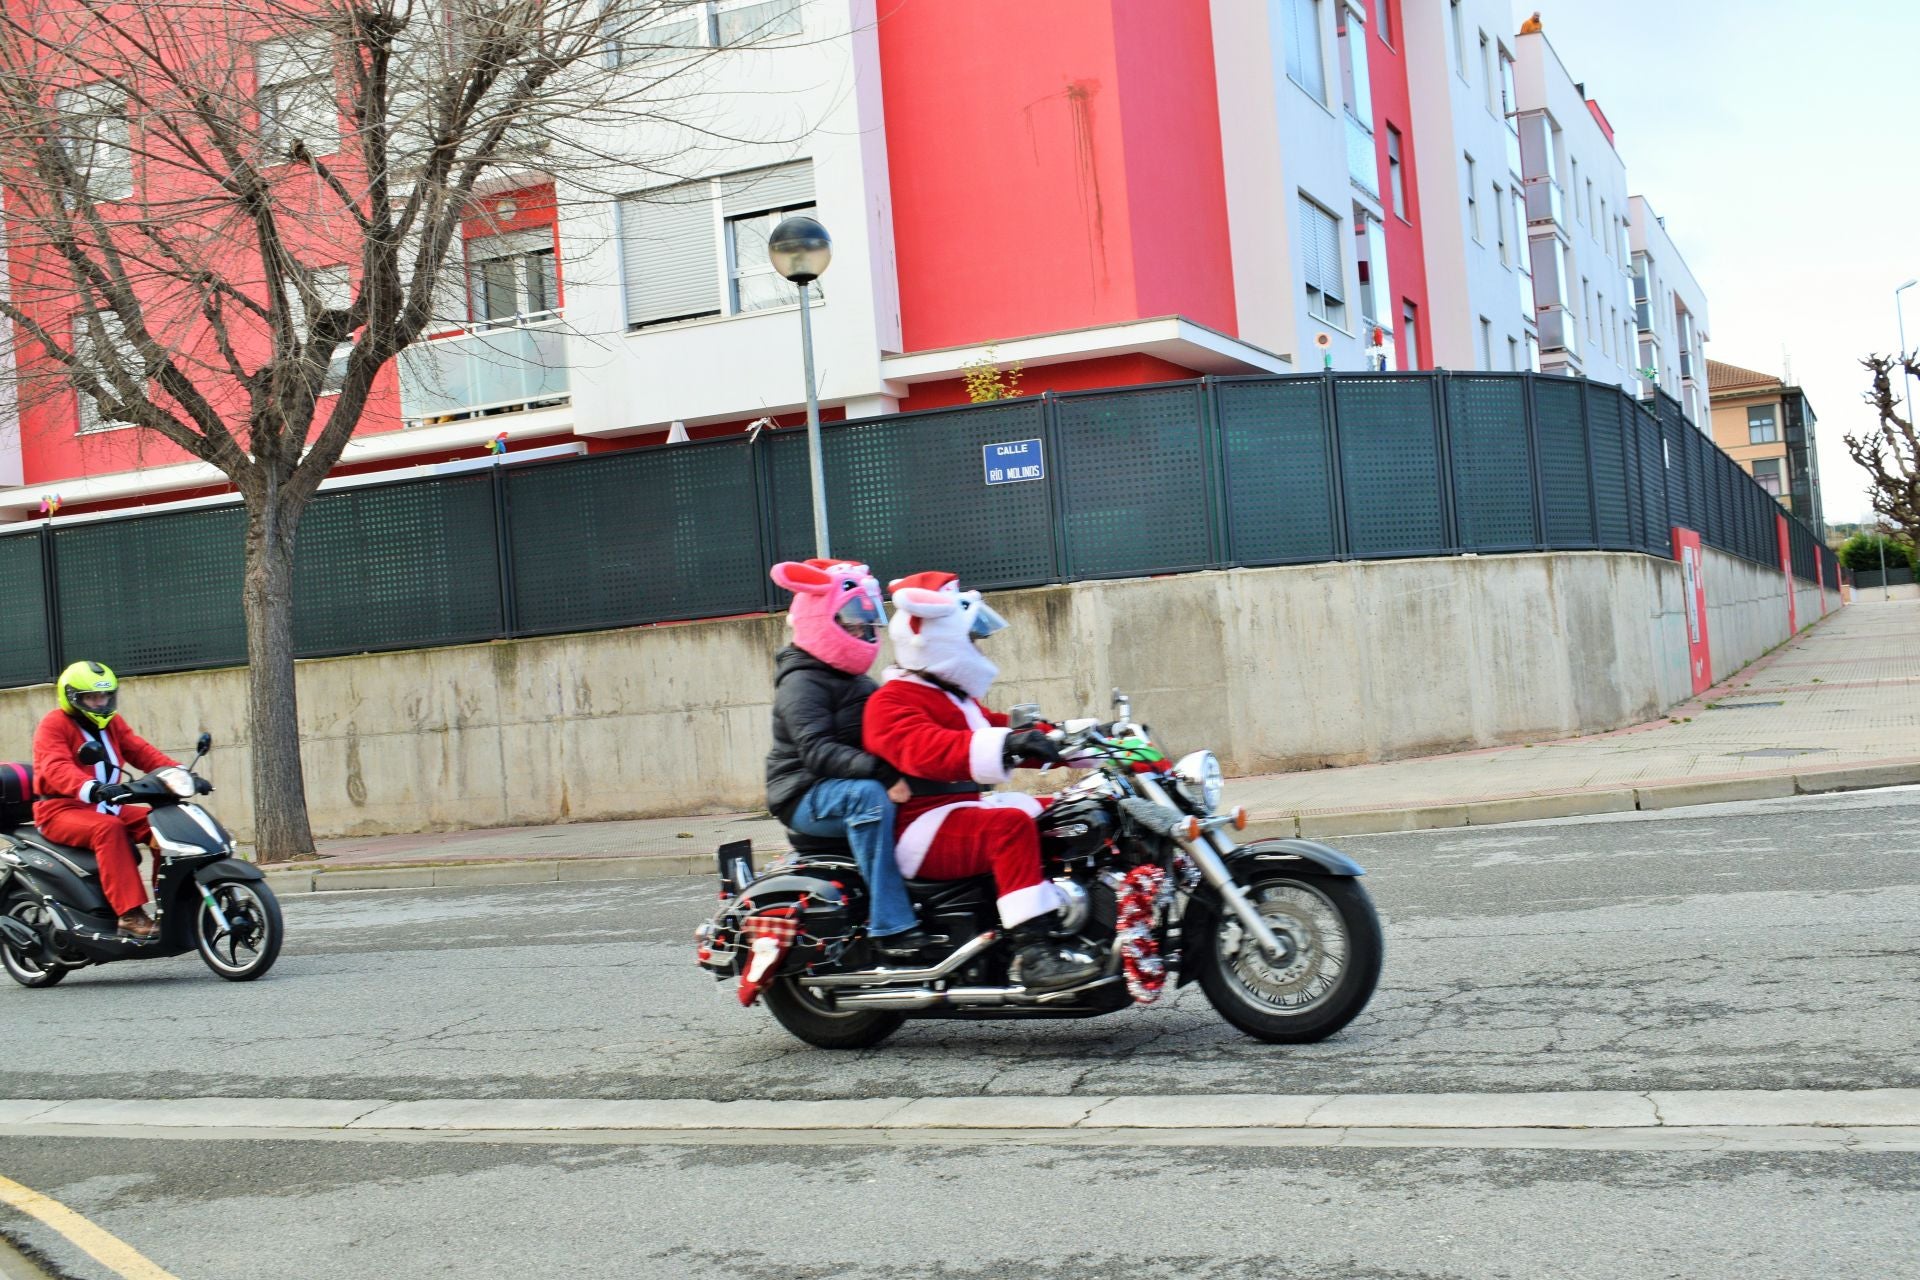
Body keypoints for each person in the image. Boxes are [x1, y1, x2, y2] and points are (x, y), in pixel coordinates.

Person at [862, 572, 1099, 991]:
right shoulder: (890, 700)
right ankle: (1034, 953)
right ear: (936, 638)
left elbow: (1005, 729)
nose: (975, 648)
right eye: (969, 639)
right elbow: (926, 747)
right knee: (1008, 828)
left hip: (960, 811)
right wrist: (1009, 742)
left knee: (1070, 813)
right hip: (920, 826)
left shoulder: (951, 696)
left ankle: (1083, 921)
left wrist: (1084, 740)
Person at [764, 559, 937, 961]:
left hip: (834, 781)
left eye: (866, 620)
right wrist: (880, 770)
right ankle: (891, 927)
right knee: (869, 798)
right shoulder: (801, 680)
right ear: (824, 619)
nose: (863, 629)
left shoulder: (855, 680)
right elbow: (816, 751)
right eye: (853, 619)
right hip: (802, 791)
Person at [32, 661, 181, 939]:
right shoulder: (54, 724)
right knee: (107, 829)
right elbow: (55, 767)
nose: (99, 703)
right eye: (91, 697)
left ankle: (171, 905)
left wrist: (178, 773)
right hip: (59, 810)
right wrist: (90, 786)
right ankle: (130, 915)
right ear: (72, 697)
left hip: (105, 805)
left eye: (104, 696)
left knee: (163, 823)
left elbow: (141, 751)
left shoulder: (112, 723)